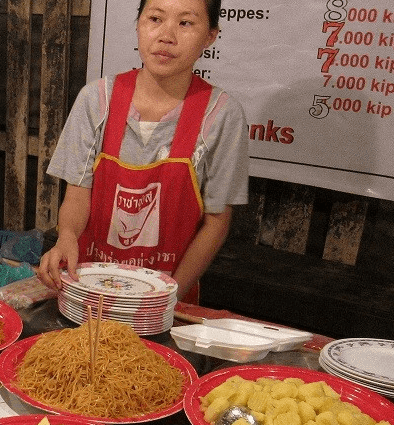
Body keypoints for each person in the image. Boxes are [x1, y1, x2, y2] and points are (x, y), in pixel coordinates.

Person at [37, 0, 248, 300]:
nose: (167, 36)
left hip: (170, 292)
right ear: (138, 24)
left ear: (210, 36)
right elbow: (77, 193)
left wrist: (167, 297)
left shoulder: (222, 114)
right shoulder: (97, 100)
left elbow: (216, 222)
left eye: (185, 23)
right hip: (88, 286)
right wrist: (66, 237)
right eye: (155, 19)